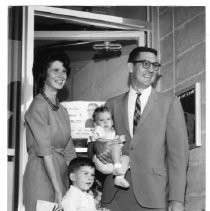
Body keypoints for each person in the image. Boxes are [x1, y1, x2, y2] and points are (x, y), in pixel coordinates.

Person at [91, 47, 189, 211]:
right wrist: (97, 146)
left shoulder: (169, 103)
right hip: (114, 197)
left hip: (154, 196)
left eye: (155, 65)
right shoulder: (112, 104)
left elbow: (178, 155)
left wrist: (177, 199)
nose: (151, 69)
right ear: (130, 67)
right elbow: (94, 142)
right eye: (145, 64)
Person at [23, 48, 77, 211]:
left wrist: (76, 185)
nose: (61, 75)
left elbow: (69, 152)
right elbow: (45, 152)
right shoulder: (38, 106)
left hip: (61, 174)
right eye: (55, 70)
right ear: (43, 74)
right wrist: (57, 189)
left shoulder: (62, 110)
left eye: (64, 71)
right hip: (41, 175)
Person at [91, 106, 130, 188]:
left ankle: (119, 178)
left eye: (108, 119)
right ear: (95, 123)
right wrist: (118, 141)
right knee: (116, 147)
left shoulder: (112, 132)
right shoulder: (99, 130)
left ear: (112, 122)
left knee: (126, 158)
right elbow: (101, 142)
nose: (105, 122)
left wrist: (118, 140)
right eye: (101, 120)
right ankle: (117, 168)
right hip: (102, 161)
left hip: (113, 163)